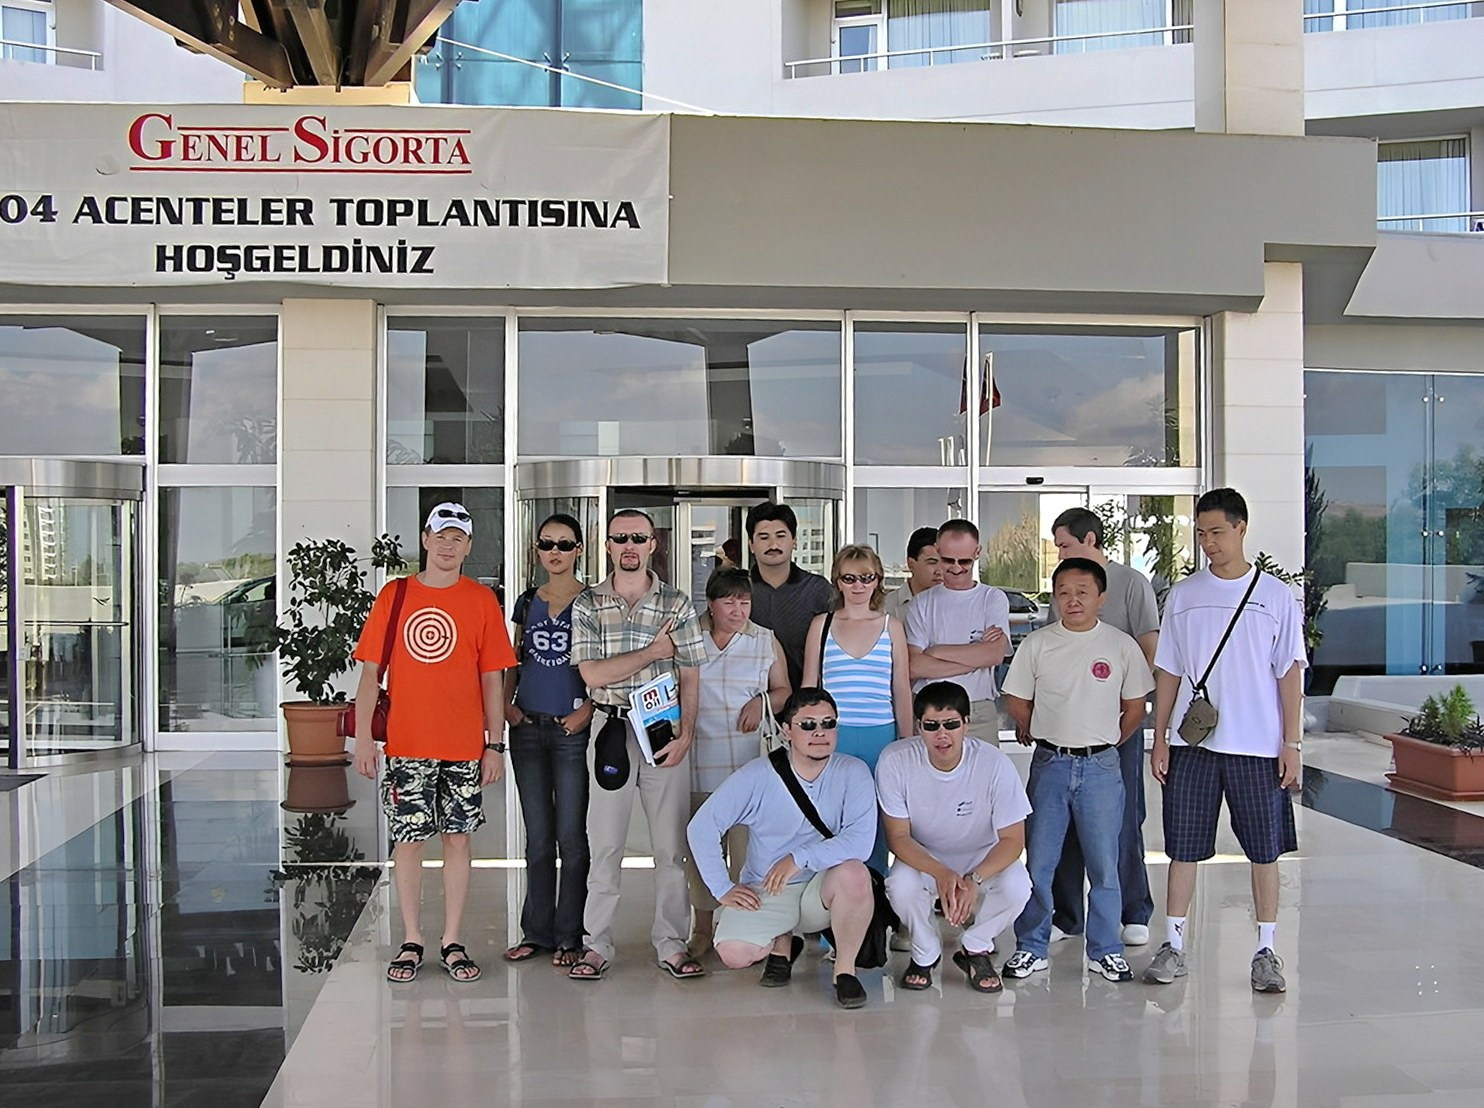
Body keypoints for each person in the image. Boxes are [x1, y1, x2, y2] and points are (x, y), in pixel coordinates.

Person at [1144, 488, 1305, 993]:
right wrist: (1160, 736)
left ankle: (1266, 950)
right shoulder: (1184, 595)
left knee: (1264, 849)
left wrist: (1292, 743)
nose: (1208, 542)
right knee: (1183, 846)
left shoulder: (1275, 596)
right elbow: (1169, 670)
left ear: (1241, 528)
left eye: (1216, 532)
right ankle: (1172, 944)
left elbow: (1289, 673)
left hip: (1257, 745)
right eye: (1201, 533)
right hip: (1193, 745)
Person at [352, 502, 516, 985]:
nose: (448, 545)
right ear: (425, 539)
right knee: (408, 841)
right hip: (407, 745)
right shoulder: (395, 595)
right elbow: (370, 675)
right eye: (440, 536)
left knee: (458, 839)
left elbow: (492, 679)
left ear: (469, 547)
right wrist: (363, 739)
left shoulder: (481, 601)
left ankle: (452, 940)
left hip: (464, 747)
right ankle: (411, 939)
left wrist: (495, 744)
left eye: (457, 538)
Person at [568, 509, 708, 982]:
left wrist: (687, 732)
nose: (629, 545)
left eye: (638, 537)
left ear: (653, 544)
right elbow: (592, 675)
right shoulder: (588, 604)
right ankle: (596, 945)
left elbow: (690, 675)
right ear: (607, 545)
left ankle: (672, 943)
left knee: (670, 847)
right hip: (610, 728)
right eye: (620, 538)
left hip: (663, 729)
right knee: (606, 844)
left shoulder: (677, 603)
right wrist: (652, 653)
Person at [999, 558, 1154, 984]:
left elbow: (1135, 707)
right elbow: (1016, 699)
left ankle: (1105, 950)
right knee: (1040, 862)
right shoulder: (1038, 644)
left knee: (1105, 864)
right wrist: (1036, 727)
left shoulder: (1121, 645)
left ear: (1101, 598)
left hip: (1101, 767)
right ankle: (1032, 946)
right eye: (1064, 592)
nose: (1073, 600)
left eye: (1082, 592)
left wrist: (1107, 743)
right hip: (1050, 763)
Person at [686, 688, 878, 1010]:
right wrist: (722, 888)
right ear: (787, 730)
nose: (819, 732)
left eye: (828, 723)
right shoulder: (758, 775)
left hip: (823, 887)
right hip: (770, 887)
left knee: (855, 873)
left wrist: (798, 858)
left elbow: (861, 841)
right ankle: (783, 940)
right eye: (808, 725)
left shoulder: (853, 772)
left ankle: (844, 971)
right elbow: (702, 827)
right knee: (733, 953)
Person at [1047, 506, 1162, 949]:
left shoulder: (1131, 583)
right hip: (1066, 727)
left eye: (1065, 544)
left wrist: (1124, 704)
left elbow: (1150, 648)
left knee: (1123, 817)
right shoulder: (1062, 588)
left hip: (1116, 725)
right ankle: (1068, 914)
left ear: (1090, 540)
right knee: (1064, 820)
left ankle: (1134, 910)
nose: (1060, 553)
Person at [876, 681, 1032, 994]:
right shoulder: (895, 761)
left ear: (966, 725)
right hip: (925, 855)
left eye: (951, 724)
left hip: (981, 856)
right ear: (918, 727)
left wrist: (974, 879)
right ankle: (925, 951)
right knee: (900, 885)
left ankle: (976, 945)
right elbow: (898, 837)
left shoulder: (994, 763)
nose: (942, 735)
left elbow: (1013, 840)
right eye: (931, 726)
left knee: (1019, 886)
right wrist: (941, 873)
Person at [502, 512, 593, 968]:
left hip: (570, 729)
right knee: (538, 838)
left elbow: (605, 663)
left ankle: (570, 935)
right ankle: (536, 932)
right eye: (546, 544)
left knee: (571, 837)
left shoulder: (594, 602)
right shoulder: (525, 602)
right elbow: (513, 659)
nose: (555, 552)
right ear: (537, 550)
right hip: (527, 727)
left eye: (564, 544)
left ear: (579, 550)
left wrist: (587, 710)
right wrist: (506, 707)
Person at [689, 566, 791, 956]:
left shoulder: (764, 639)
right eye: (729, 602)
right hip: (697, 760)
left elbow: (783, 691)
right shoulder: (690, 636)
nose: (738, 610)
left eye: (744, 602)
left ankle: (745, 928)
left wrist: (761, 702)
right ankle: (701, 928)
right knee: (701, 851)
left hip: (748, 767)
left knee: (749, 852)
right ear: (711, 604)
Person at [803, 544, 912, 874]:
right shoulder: (821, 625)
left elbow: (901, 689)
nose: (859, 585)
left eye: (866, 577)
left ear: (878, 580)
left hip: (882, 736)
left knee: (878, 820)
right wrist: (804, 738)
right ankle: (831, 898)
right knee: (830, 817)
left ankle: (875, 894)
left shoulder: (892, 626)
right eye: (849, 578)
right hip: (833, 736)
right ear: (837, 581)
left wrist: (908, 743)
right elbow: (809, 688)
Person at [905, 520, 1012, 742]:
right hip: (931, 709)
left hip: (977, 709)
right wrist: (976, 657)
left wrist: (936, 651)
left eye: (964, 561)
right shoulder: (920, 603)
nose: (956, 568)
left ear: (977, 553)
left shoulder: (992, 598)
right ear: (937, 550)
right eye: (948, 560)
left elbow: (994, 655)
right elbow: (915, 666)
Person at [746, 501, 833, 690]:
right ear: (751, 544)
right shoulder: (740, 589)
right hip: (750, 698)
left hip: (808, 697)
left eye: (780, 536)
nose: (773, 544)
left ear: (794, 541)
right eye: (764, 537)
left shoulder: (817, 589)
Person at [883, 526, 943, 623]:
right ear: (911, 563)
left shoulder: (955, 604)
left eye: (945, 562)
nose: (940, 571)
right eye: (932, 562)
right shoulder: (887, 606)